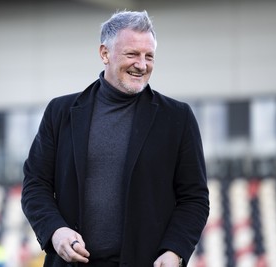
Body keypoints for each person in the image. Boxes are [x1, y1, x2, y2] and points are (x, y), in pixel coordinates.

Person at [21, 10, 209, 267]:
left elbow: (194, 198)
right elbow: (35, 185)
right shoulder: (60, 112)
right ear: (104, 54)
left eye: (149, 56)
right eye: (132, 54)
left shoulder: (178, 117)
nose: (141, 64)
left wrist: (174, 250)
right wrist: (55, 231)